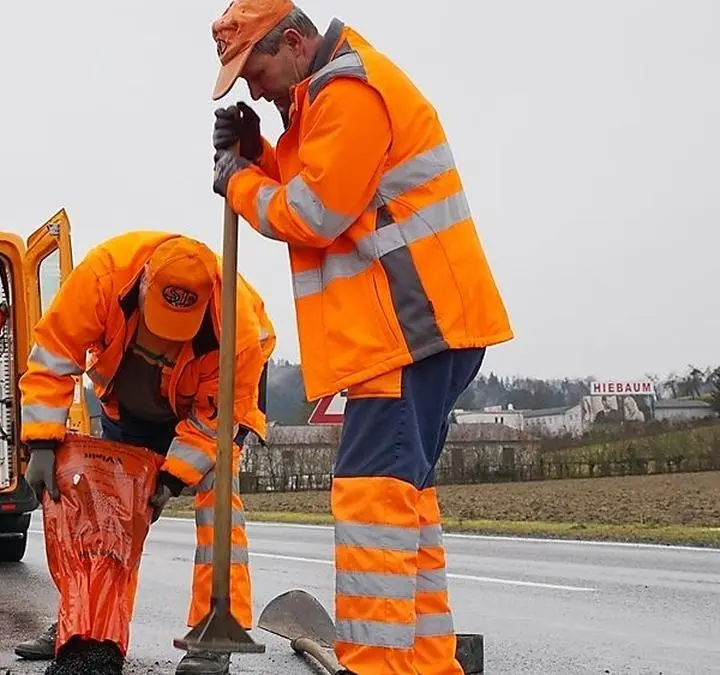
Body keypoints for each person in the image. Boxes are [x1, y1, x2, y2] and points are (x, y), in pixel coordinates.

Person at [207, 2, 514, 674]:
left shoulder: (349, 92)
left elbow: (314, 212)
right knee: (403, 507)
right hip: (412, 333)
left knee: (372, 500)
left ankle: (377, 663)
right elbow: (321, 179)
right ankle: (426, 662)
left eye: (254, 71)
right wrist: (260, 153)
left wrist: (240, 182)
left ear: (293, 43)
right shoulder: (326, 96)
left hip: (407, 331)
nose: (253, 89)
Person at [16, 230, 276, 675]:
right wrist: (41, 442)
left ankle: (214, 634)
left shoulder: (238, 331)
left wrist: (172, 478)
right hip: (133, 403)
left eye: (178, 331)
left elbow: (212, 422)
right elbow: (54, 356)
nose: (166, 343)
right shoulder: (101, 277)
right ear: (141, 286)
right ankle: (84, 628)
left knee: (219, 507)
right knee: (106, 514)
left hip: (209, 409)